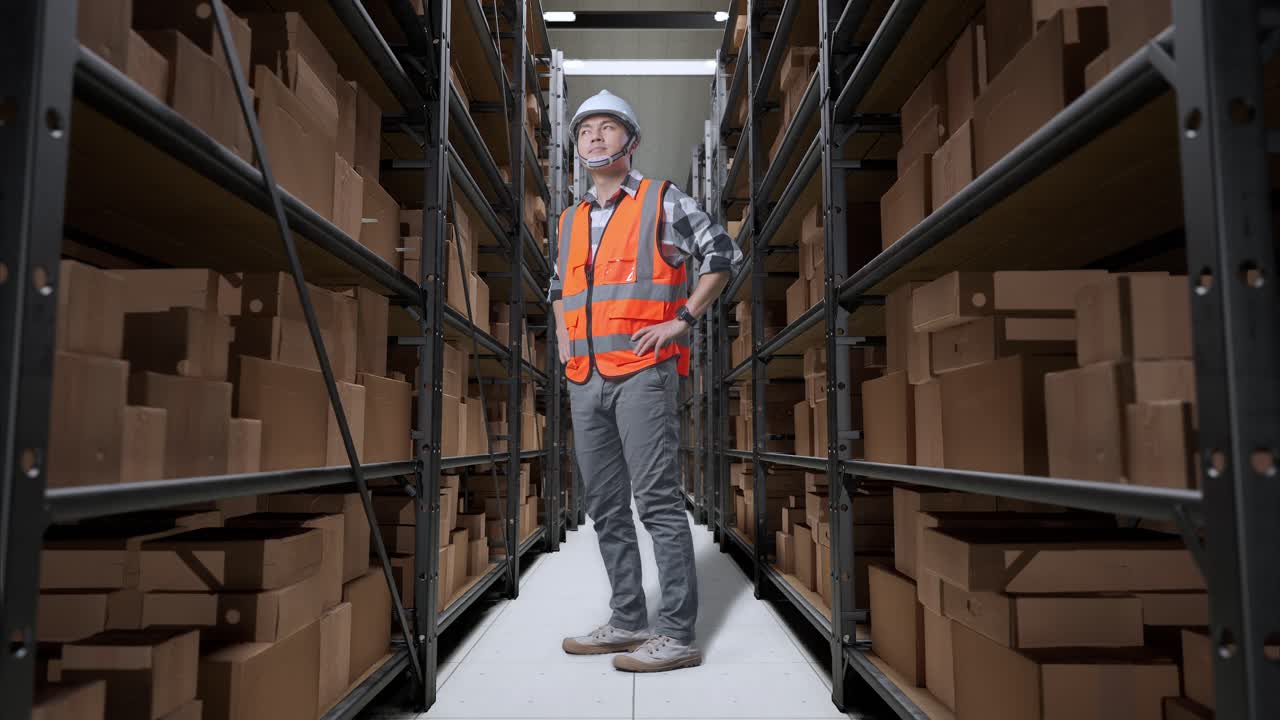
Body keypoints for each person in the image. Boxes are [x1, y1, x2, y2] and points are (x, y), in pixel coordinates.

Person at [549, 90, 742, 673]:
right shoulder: (570, 219)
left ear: (630, 141)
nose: (595, 138)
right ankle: (628, 620)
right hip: (585, 378)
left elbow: (723, 254)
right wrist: (564, 348)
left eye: (608, 128)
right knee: (604, 505)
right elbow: (559, 290)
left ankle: (678, 633)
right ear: (577, 146)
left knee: (656, 502)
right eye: (585, 131)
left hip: (643, 377)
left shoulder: (662, 200)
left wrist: (680, 321)